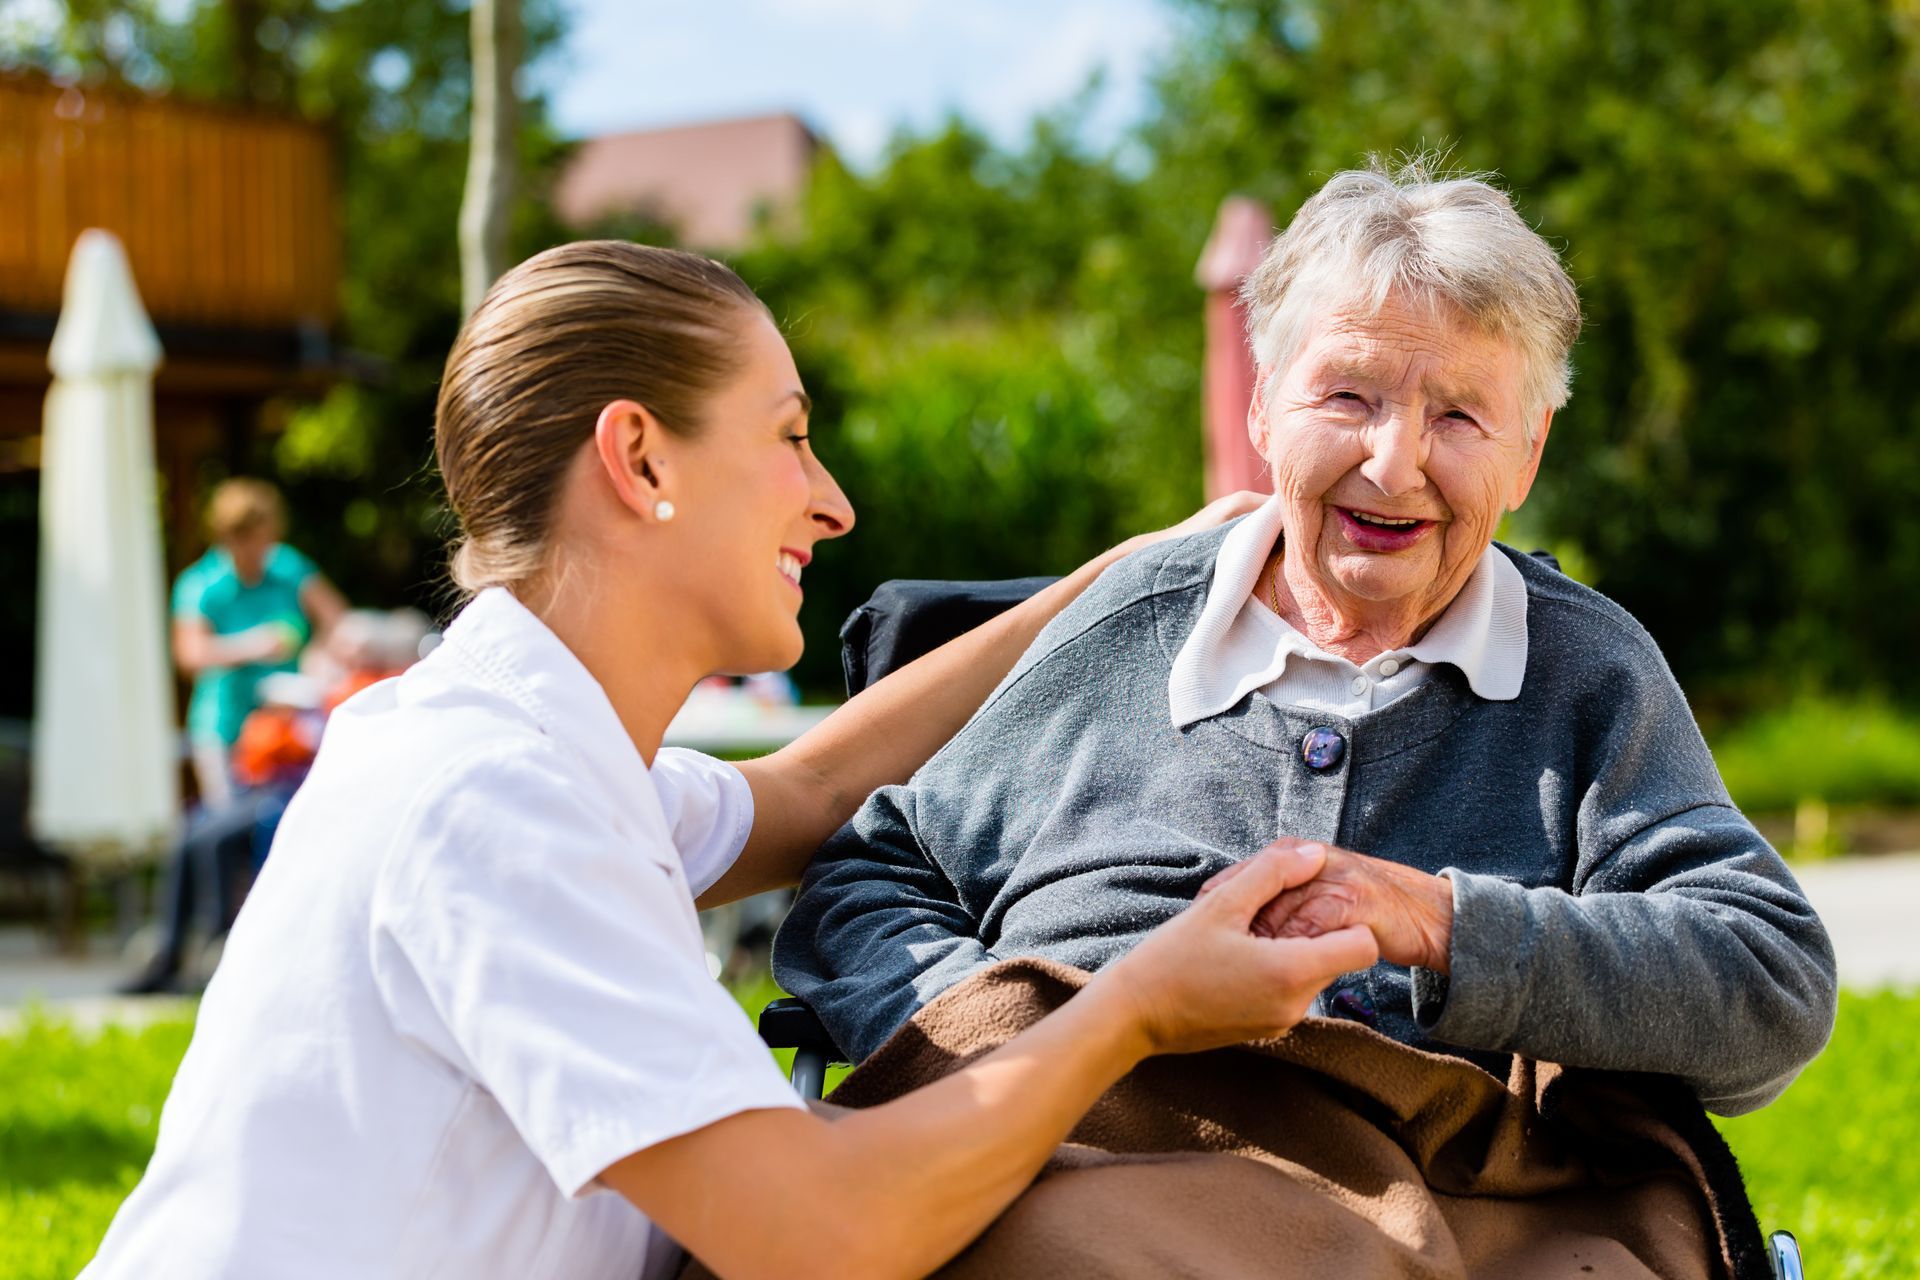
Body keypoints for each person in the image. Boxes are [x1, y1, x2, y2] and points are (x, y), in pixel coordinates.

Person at [82, 242, 1379, 1280]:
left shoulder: (509, 745)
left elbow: (809, 791)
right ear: (641, 459)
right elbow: (819, 1234)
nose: (834, 502)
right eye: (790, 435)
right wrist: (1140, 1005)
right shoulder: (492, 804)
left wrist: (1134, 571)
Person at [774, 159, 1838, 1116]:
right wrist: (999, 1046)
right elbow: (870, 872)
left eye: (1460, 416)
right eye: (1347, 395)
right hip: (1076, 1194)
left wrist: (1438, 922)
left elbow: (1768, 978)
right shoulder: (1128, 628)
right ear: (1265, 410)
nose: (1394, 461)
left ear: (1529, 452)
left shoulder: (1585, 674)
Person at [120, 610, 431, 995]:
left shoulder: (375, 690)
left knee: (216, 841)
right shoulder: (323, 686)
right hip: (267, 787)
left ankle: (216, 947)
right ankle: (170, 953)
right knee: (189, 833)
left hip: (296, 795)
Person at [170, 478, 350, 809]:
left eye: (266, 539)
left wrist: (319, 652)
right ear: (228, 537)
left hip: (285, 728)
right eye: (251, 541)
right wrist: (254, 646)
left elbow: (337, 619)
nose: (261, 550)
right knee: (233, 831)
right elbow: (189, 654)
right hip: (226, 730)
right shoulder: (200, 585)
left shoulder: (287, 566)